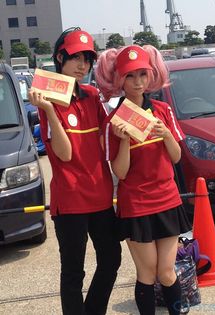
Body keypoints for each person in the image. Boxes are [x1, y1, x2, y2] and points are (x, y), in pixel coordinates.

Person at [28, 27, 121, 315]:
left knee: (111, 260)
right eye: (76, 58)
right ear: (59, 57)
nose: (83, 65)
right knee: (73, 272)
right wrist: (51, 110)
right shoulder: (45, 101)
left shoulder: (93, 96)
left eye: (88, 59)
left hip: (102, 196)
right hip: (70, 201)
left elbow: (111, 135)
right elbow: (64, 153)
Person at [95, 45, 192, 315]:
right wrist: (124, 140)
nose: (138, 82)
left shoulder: (162, 110)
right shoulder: (113, 122)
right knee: (147, 273)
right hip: (136, 205)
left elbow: (175, 159)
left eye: (142, 74)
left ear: (151, 75)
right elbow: (121, 173)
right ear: (119, 80)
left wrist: (166, 135)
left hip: (167, 200)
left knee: (167, 272)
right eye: (130, 76)